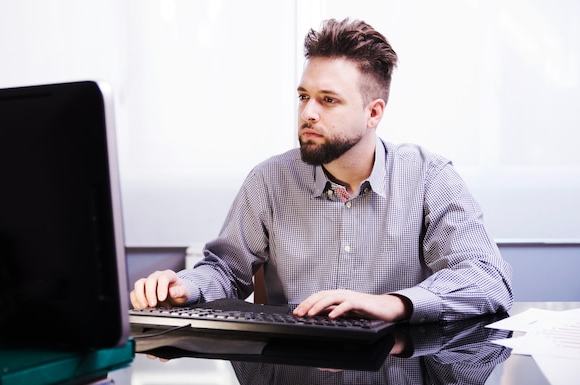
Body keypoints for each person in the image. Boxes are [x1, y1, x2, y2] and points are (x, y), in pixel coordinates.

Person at [130, 18, 513, 323]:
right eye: (304, 97)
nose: (308, 113)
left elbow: (487, 277)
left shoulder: (429, 177)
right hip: (296, 363)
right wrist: (185, 286)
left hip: (395, 361)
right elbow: (225, 271)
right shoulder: (269, 181)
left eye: (328, 100)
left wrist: (395, 304)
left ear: (373, 112)